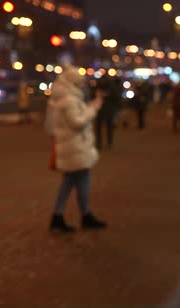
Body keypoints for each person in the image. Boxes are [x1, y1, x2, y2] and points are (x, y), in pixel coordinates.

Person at [45, 65, 107, 233]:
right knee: (79, 181)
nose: (83, 86)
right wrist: (93, 108)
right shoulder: (69, 101)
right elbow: (77, 123)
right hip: (75, 147)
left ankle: (67, 216)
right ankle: (78, 216)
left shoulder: (66, 99)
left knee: (73, 181)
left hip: (73, 147)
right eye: (80, 83)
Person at [95, 76, 122, 150]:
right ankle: (106, 143)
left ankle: (103, 143)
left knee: (104, 127)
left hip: (103, 110)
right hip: (105, 110)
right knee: (106, 127)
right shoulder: (112, 88)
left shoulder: (101, 88)